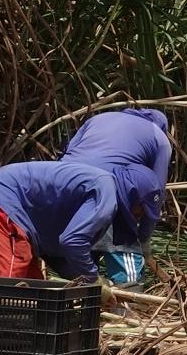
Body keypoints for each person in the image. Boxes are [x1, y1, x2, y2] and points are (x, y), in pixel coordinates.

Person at [62, 107, 172, 284]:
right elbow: (155, 195)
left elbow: (68, 152)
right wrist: (143, 240)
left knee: (80, 272)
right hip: (106, 192)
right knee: (128, 276)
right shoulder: (159, 137)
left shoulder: (97, 119)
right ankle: (127, 308)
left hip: (65, 187)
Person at [0, 160, 119, 283]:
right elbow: (72, 242)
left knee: (33, 288)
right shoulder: (105, 192)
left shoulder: (92, 193)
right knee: (8, 283)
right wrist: (93, 279)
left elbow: (62, 253)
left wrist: (87, 281)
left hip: (16, 212)